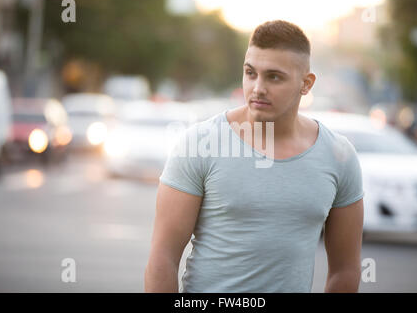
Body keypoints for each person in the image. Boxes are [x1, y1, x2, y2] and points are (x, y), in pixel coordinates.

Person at [145, 20, 364, 293]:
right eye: (251, 73)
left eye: (274, 77)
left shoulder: (338, 156)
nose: (258, 87)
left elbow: (345, 270)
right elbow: (163, 257)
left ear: (306, 84)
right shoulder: (200, 143)